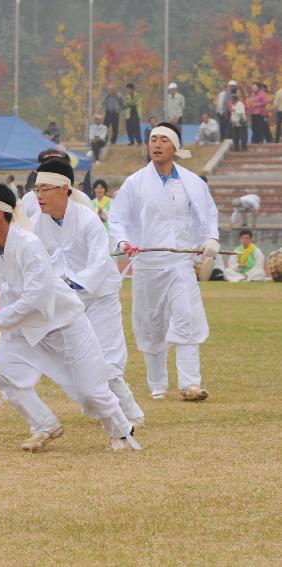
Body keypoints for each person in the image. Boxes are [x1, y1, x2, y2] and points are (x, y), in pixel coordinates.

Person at [0, 182, 139, 452]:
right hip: (20, 326)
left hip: (62, 323)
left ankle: (122, 431)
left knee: (91, 391)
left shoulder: (29, 245)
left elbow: (37, 297)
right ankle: (44, 424)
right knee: (0, 370)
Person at [29, 159, 144, 426]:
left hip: (99, 296)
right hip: (67, 302)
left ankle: (132, 411)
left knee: (107, 360)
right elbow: (30, 264)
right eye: (37, 190)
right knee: (74, 357)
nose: (39, 195)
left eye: (45, 189)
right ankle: (99, 405)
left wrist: (73, 283)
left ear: (64, 188)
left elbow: (100, 263)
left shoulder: (88, 220)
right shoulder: (36, 223)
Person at [109, 122, 218, 402]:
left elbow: (208, 214)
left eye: (163, 140)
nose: (156, 145)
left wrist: (211, 240)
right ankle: (157, 384)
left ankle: (190, 384)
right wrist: (122, 242)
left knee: (187, 316)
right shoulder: (134, 183)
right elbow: (117, 217)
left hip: (180, 263)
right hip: (147, 263)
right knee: (151, 323)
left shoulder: (192, 182)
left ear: (175, 147)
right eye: (153, 139)